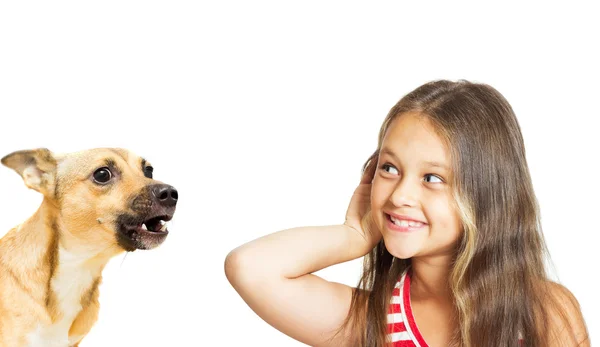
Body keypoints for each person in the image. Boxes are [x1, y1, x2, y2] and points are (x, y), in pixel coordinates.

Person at [224, 80, 590, 346]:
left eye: (432, 178)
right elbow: (250, 267)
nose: (400, 195)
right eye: (389, 168)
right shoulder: (372, 323)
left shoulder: (543, 311)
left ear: (487, 195)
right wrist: (353, 235)